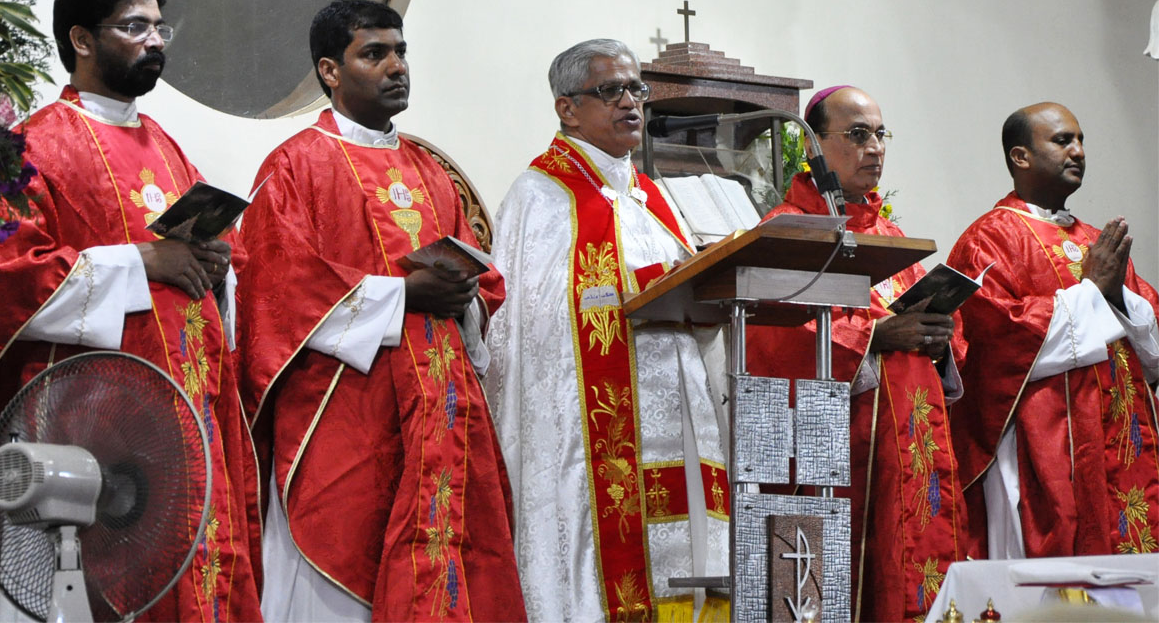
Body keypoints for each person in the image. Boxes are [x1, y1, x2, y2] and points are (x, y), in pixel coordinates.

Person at [0, 0, 262, 622]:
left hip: (186, 416)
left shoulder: (167, 147)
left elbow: (199, 267)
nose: (154, 41)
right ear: (82, 40)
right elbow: (9, 277)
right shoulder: (32, 147)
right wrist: (142, 264)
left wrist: (214, 266)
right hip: (89, 424)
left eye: (160, 28)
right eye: (133, 27)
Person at [238, 0, 525, 623]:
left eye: (401, 52)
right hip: (347, 413)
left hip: (440, 409)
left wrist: (466, 294)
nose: (397, 66)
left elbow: (481, 270)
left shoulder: (431, 170)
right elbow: (276, 284)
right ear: (330, 70)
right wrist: (402, 295)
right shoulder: (296, 164)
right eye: (375, 54)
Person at [485, 39, 731, 622]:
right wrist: (643, 285)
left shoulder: (651, 197)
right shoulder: (539, 194)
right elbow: (535, 324)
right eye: (611, 91)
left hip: (679, 419)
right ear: (566, 109)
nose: (631, 104)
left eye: (637, 90)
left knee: (688, 560)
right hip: (593, 435)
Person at [746, 86, 968, 623]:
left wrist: (939, 336)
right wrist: (878, 336)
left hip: (910, 452)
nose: (875, 148)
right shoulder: (783, 233)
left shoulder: (891, 237)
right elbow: (772, 338)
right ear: (815, 146)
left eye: (880, 134)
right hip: (835, 454)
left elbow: (949, 342)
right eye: (858, 135)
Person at [948, 101, 1159, 559]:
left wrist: (1115, 294)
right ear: (1020, 156)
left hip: (1118, 435)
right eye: (1063, 141)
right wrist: (1090, 291)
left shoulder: (1092, 240)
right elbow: (994, 339)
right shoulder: (990, 238)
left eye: (1081, 141)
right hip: (1045, 442)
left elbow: (1150, 338)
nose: (1078, 151)